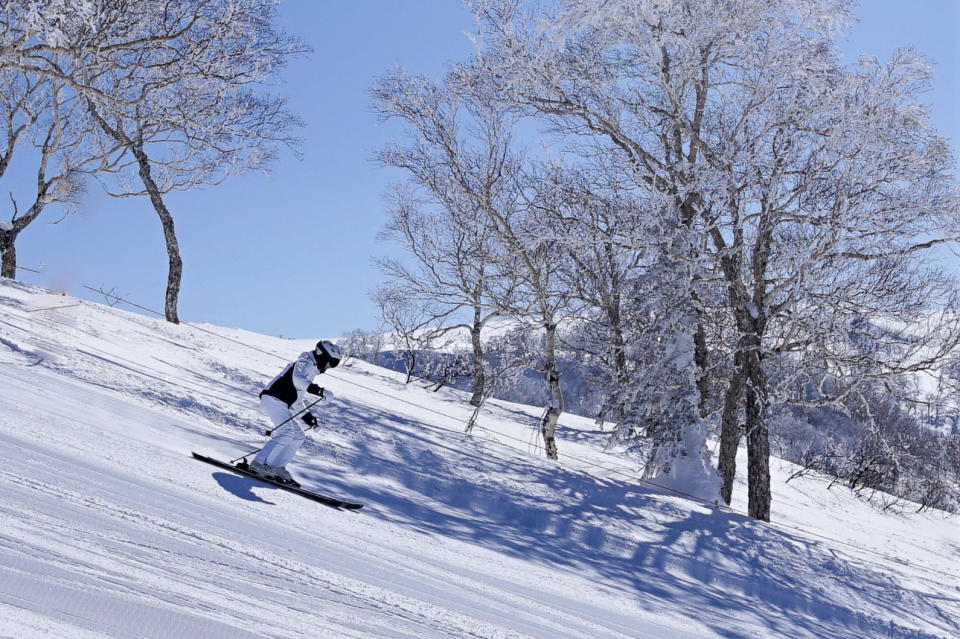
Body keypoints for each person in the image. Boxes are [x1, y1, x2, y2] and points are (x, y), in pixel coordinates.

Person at [242, 339, 342, 487]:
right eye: (332, 362)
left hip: (282, 403)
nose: (330, 367)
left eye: (335, 364)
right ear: (322, 356)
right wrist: (319, 390)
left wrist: (308, 419)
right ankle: (259, 464)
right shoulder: (305, 361)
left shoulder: (311, 369)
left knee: (298, 436)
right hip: (273, 398)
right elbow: (298, 381)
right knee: (287, 432)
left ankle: (276, 467)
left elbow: (297, 401)